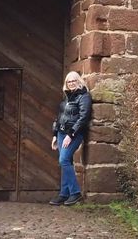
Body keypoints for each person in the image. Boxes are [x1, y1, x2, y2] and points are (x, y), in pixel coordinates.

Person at [49, 71, 92, 206]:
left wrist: (70, 135)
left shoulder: (84, 96)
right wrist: (55, 135)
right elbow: (60, 118)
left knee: (64, 160)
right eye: (69, 81)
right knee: (65, 162)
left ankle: (75, 193)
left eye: (74, 80)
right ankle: (64, 194)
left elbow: (83, 118)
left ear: (79, 81)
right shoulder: (67, 98)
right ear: (66, 84)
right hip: (62, 133)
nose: (71, 83)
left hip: (74, 134)